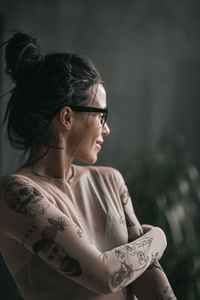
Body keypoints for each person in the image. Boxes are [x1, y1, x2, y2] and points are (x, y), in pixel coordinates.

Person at [0, 32, 176, 300]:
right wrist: (160, 237)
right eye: (101, 115)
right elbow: (104, 276)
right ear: (67, 117)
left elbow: (147, 276)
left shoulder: (111, 180)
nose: (107, 129)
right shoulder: (15, 193)